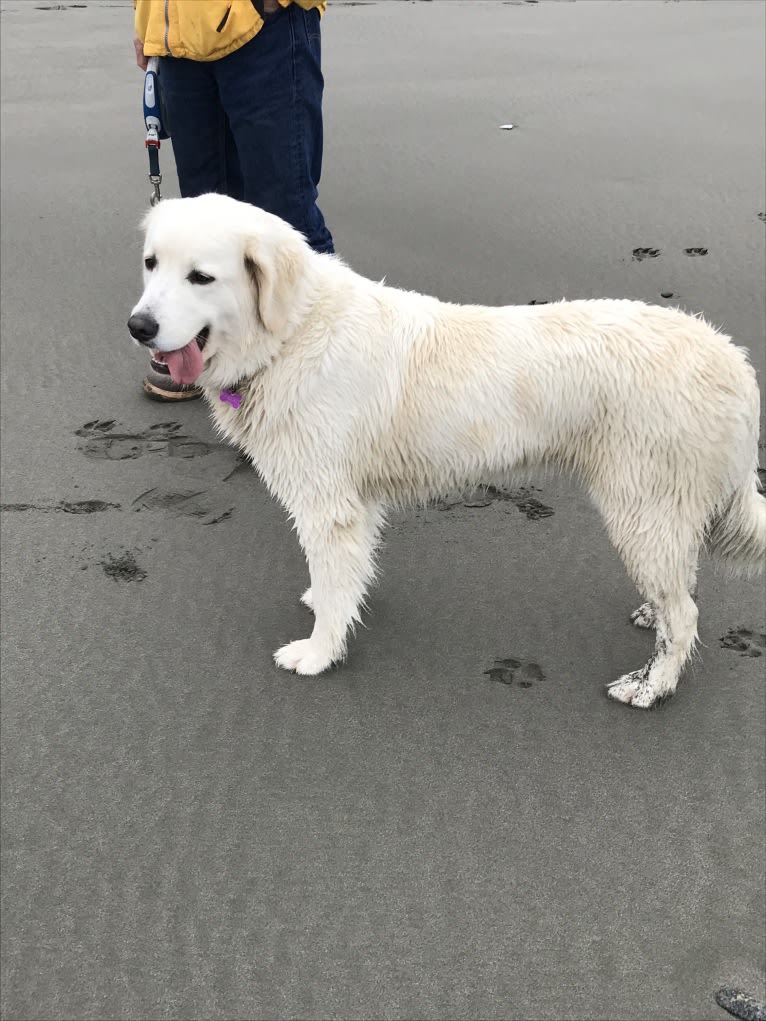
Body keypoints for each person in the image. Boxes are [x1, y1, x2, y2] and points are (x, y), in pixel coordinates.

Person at [133, 0, 334, 400]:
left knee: (287, 217)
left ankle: (324, 376)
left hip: (266, 30)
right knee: (201, 231)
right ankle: (190, 349)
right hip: (179, 40)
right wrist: (149, 23)